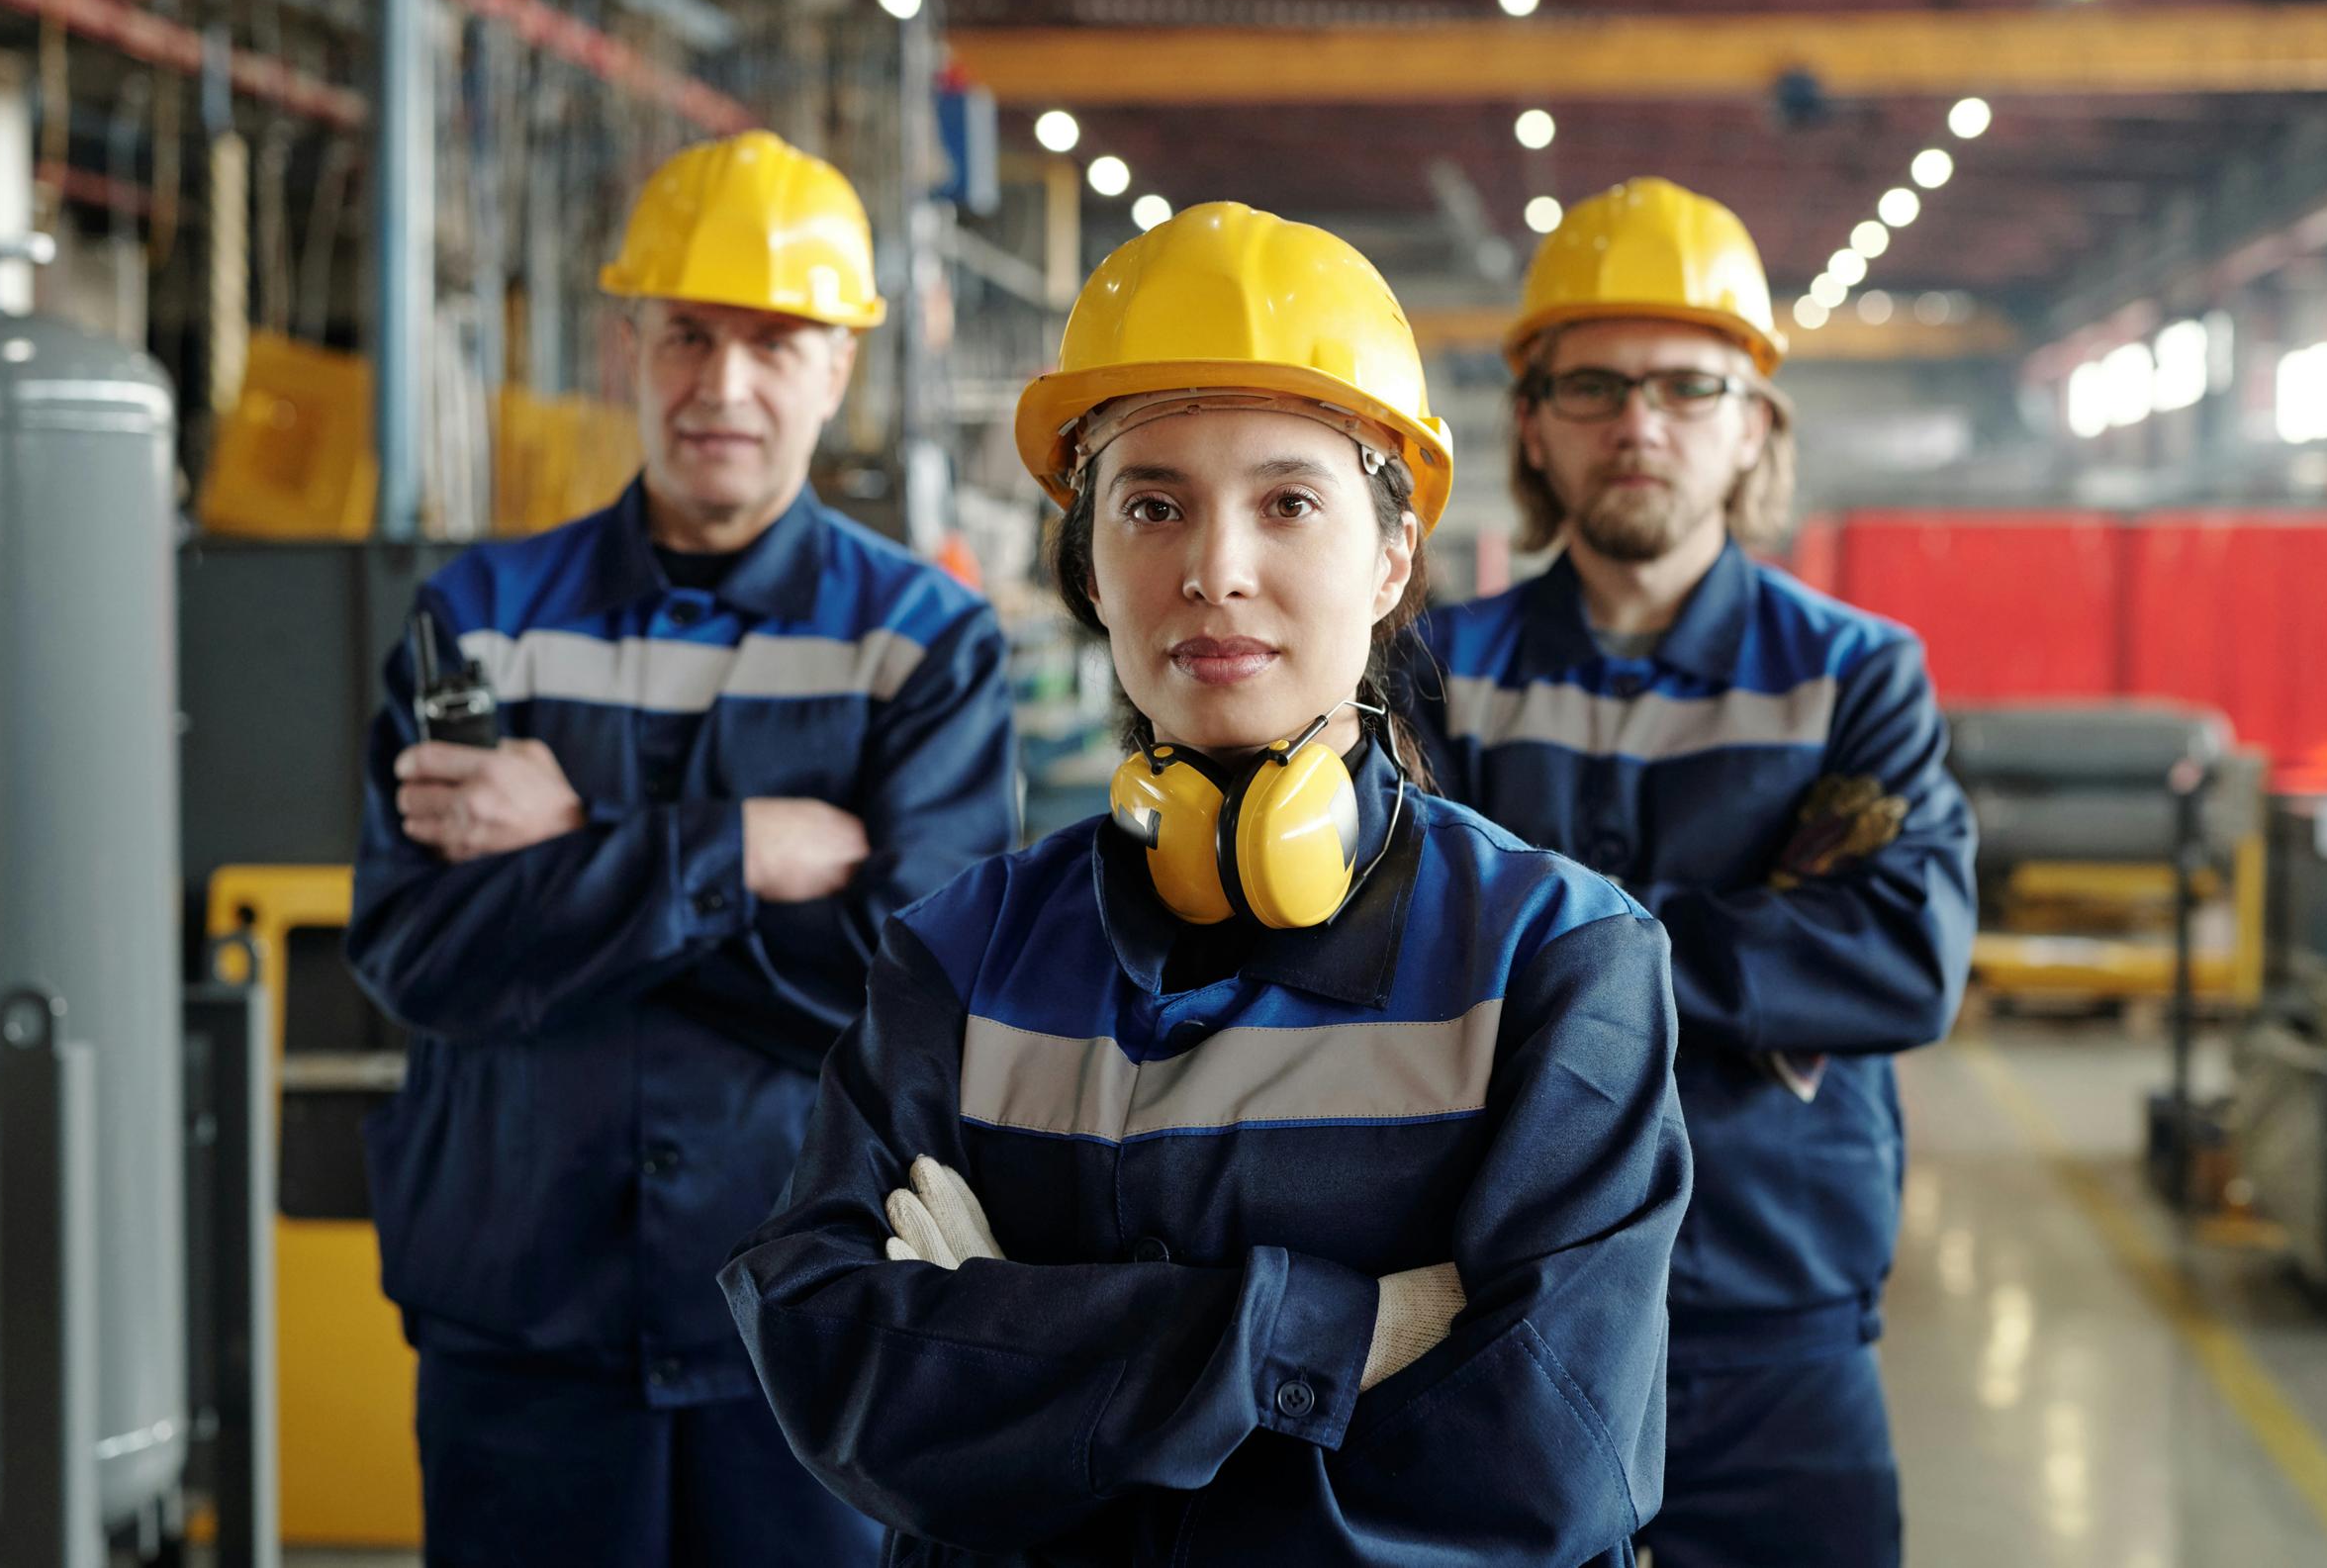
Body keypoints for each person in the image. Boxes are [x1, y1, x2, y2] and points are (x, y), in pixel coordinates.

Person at [720, 202, 1692, 1567]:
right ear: (1091, 566)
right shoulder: (962, 956)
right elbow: (840, 1369)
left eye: (1289, 502)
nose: (1214, 570)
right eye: (1153, 504)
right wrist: (1337, 1338)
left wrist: (1020, 1332)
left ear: (1392, 557)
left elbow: (1539, 1464)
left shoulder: (1555, 962)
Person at [344, 129, 1020, 1567]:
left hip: (810, 1317)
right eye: (689, 337)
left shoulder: (920, 643)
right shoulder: (478, 618)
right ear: (624, 347)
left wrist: (579, 853)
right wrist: (746, 853)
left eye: (776, 343)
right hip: (522, 1315)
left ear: (839, 367)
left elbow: (914, 1005)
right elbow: (422, 954)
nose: (725, 386)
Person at [1399, 178, 1978, 1568]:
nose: (1639, 423)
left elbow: (1901, 952)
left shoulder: (1853, 675)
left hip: (1773, 1298)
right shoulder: (1439, 670)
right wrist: (1752, 965)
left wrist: (1551, 969)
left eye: (1687, 386)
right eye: (1592, 385)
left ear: (1751, 426)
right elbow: (1396, 968)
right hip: (1497, 1299)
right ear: (1531, 420)